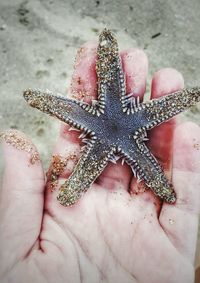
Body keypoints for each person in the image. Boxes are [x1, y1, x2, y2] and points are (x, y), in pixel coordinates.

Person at [0, 41, 199, 283]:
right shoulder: (118, 129)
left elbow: (165, 108)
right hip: (117, 139)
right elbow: (63, 107)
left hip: (117, 140)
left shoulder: (122, 134)